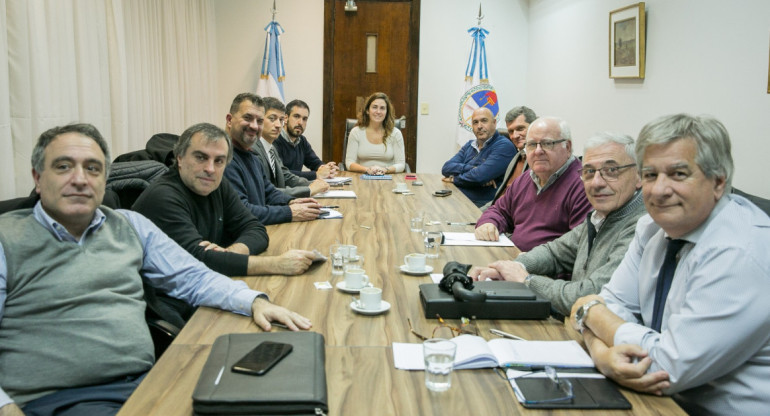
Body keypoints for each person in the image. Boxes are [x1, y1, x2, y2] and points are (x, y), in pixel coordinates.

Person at [0, 123, 310, 416]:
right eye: (64, 166)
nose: (81, 179)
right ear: (37, 178)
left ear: (104, 178)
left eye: (93, 168)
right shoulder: (6, 239)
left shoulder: (127, 224)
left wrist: (254, 301)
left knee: (275, 395)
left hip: (149, 381)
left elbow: (192, 276)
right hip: (62, 399)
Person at [569, 114, 770, 415]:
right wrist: (600, 353)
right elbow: (600, 306)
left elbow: (663, 368)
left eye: (678, 174)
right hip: (653, 402)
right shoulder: (651, 229)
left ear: (718, 181)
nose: (659, 191)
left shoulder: (739, 251)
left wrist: (591, 315)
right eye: (650, 175)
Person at [470, 133, 645, 317]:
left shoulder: (641, 227)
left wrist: (526, 280)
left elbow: (591, 295)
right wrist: (507, 268)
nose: (597, 183)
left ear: (639, 176)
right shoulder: (600, 215)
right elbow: (554, 252)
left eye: (611, 171)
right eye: (589, 172)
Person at [133, 123, 316, 278]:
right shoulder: (164, 197)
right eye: (201, 157)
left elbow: (255, 228)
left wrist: (233, 253)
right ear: (179, 158)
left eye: (219, 161)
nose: (210, 169)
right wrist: (276, 264)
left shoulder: (217, 186)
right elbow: (198, 261)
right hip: (166, 305)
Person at [475, 117, 592, 251]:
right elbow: (499, 210)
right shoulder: (526, 178)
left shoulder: (583, 186)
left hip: (544, 269)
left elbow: (577, 247)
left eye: (547, 143)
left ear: (568, 147)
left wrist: (530, 263)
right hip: (513, 257)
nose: (537, 151)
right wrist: (489, 222)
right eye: (531, 145)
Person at [223, 93, 322, 225]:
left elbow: (268, 191)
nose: (254, 126)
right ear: (229, 120)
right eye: (247, 118)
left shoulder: (250, 155)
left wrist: (291, 201)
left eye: (259, 121)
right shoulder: (222, 157)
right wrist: (290, 212)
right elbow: (241, 211)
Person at [253, 97, 330, 198]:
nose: (278, 125)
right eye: (272, 118)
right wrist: (309, 189)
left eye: (280, 120)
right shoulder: (254, 150)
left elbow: (285, 175)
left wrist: (312, 184)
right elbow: (265, 192)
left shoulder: (270, 148)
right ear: (259, 120)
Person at [441, 107, 517, 207]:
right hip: (459, 196)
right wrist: (473, 169)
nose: (479, 126)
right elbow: (446, 168)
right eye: (475, 122)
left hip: (481, 205)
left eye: (484, 121)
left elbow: (479, 177)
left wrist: (454, 179)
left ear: (494, 123)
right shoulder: (469, 145)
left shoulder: (504, 146)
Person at [480, 106, 537, 211]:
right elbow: (502, 197)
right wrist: (479, 213)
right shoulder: (517, 157)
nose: (515, 136)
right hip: (496, 212)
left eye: (520, 129)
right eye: (511, 131)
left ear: (534, 127)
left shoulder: (539, 161)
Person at [275, 99, 338, 180]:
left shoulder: (302, 141)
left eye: (304, 119)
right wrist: (316, 174)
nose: (300, 122)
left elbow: (314, 162)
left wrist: (325, 168)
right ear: (286, 118)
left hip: (298, 188)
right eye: (296, 116)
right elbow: (282, 173)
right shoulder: (275, 140)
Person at [344, 92, 406, 175]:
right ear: (367, 110)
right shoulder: (356, 132)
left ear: (386, 112)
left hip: (388, 178)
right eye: (374, 107)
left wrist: (385, 170)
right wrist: (367, 169)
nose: (378, 111)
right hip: (361, 178)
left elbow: (401, 165)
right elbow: (349, 163)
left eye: (382, 108)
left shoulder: (395, 133)